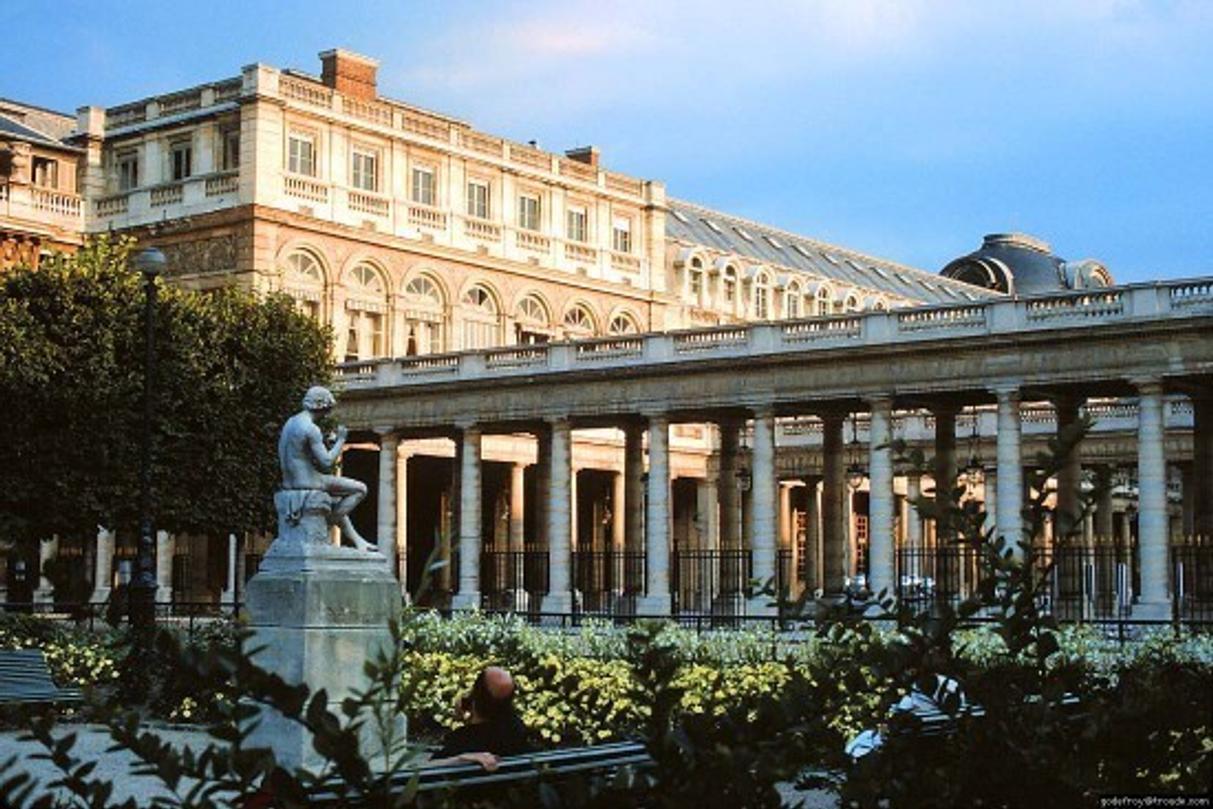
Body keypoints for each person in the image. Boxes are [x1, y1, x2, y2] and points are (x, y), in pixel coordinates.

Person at [278, 386, 376, 551]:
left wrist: (326, 443)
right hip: (309, 481)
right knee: (360, 489)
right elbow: (327, 462)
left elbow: (296, 454)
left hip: (290, 482)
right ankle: (328, 522)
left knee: (336, 501)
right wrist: (341, 440)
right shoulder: (311, 429)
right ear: (321, 405)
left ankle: (359, 541)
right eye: (327, 409)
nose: (327, 414)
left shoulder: (291, 422)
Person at [431, 666, 533, 771]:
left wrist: (460, 758)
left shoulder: (462, 740)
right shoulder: (517, 731)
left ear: (475, 698)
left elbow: (423, 773)